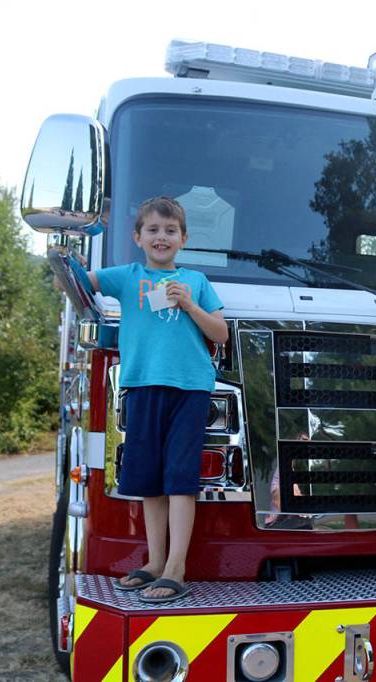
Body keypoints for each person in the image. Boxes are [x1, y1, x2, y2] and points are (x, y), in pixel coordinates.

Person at [73, 196, 228, 603]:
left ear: (183, 239)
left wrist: (189, 304)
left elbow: (220, 334)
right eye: (154, 230)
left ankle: (177, 568)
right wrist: (63, 260)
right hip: (141, 386)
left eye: (170, 231)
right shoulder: (126, 276)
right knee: (150, 481)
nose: (162, 237)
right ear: (138, 237)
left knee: (180, 478)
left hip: (190, 389)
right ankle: (155, 562)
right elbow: (77, 282)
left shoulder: (195, 281)